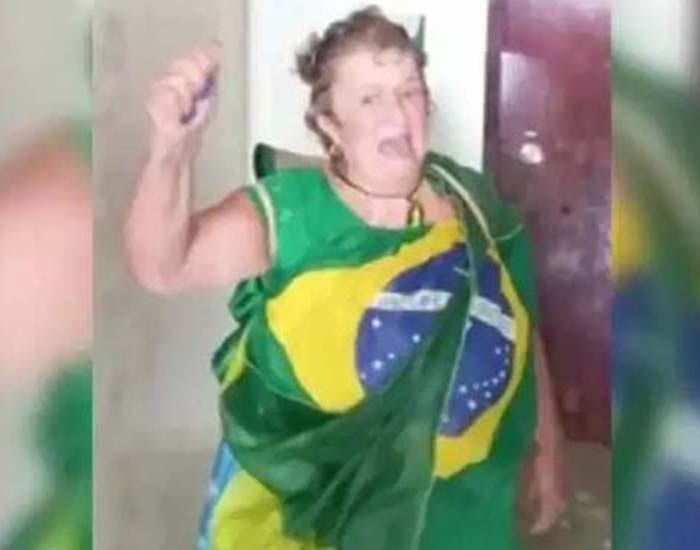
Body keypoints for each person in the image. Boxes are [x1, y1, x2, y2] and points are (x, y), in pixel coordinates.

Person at [125, 7, 565, 550]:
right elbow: (164, 266)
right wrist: (171, 152)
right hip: (312, 509)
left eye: (409, 91)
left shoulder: (471, 200)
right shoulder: (294, 214)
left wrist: (548, 447)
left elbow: (518, 320)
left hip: (456, 511)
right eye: (369, 98)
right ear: (330, 125)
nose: (397, 114)